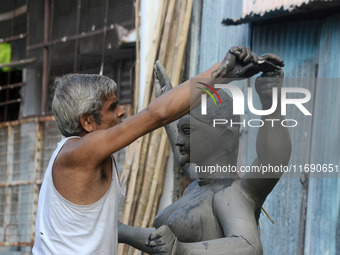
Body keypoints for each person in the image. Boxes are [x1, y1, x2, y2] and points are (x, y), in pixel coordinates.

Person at [32, 46, 278, 255]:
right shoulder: (79, 154)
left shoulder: (224, 190)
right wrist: (223, 70)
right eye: (112, 107)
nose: (122, 112)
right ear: (87, 121)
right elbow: (156, 115)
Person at [118, 48, 290, 255]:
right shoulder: (197, 186)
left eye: (188, 131)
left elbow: (248, 245)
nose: (180, 141)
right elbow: (182, 155)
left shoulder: (230, 193)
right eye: (181, 131)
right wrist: (119, 230)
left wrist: (271, 98)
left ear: (225, 136)